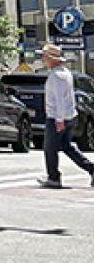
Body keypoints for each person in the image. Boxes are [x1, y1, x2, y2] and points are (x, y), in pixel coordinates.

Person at [38, 42, 94, 188]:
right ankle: (91, 168)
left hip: (58, 117)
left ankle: (54, 177)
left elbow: (60, 99)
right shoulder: (64, 72)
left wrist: (59, 119)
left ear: (52, 59)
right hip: (69, 116)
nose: (43, 59)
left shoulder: (56, 75)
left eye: (44, 56)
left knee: (50, 148)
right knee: (66, 146)